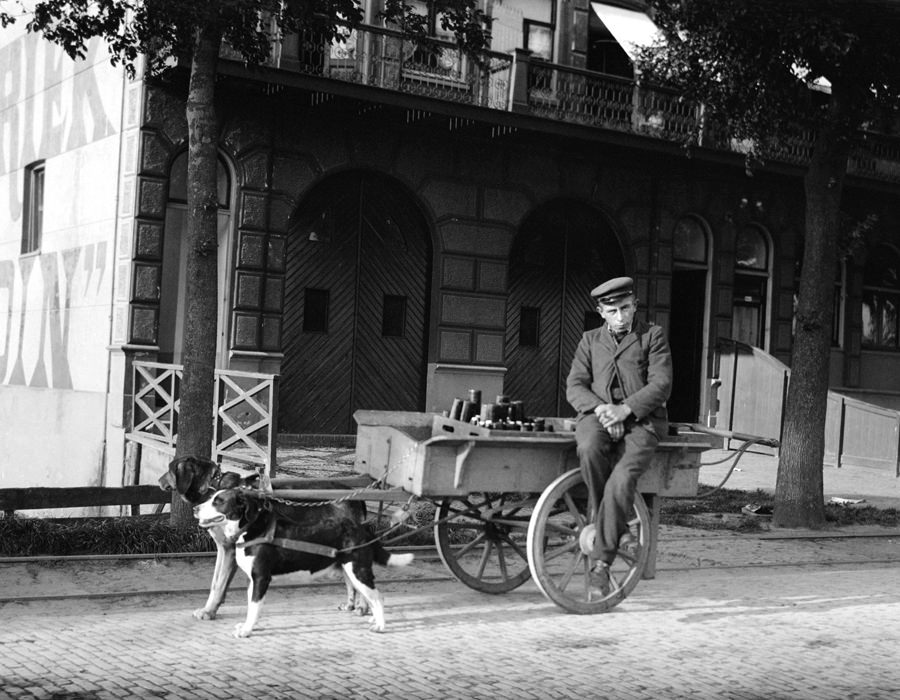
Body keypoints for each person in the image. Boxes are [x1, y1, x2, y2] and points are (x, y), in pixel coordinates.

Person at [565, 276, 673, 592]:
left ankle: (601, 563)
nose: (621, 317)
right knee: (587, 448)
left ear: (635, 305)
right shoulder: (589, 340)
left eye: (626, 308)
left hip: (642, 421)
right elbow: (575, 385)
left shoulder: (652, 336)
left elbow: (661, 384)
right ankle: (621, 528)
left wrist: (624, 410)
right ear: (601, 311)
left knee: (623, 478)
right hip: (598, 417)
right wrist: (602, 410)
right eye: (613, 311)